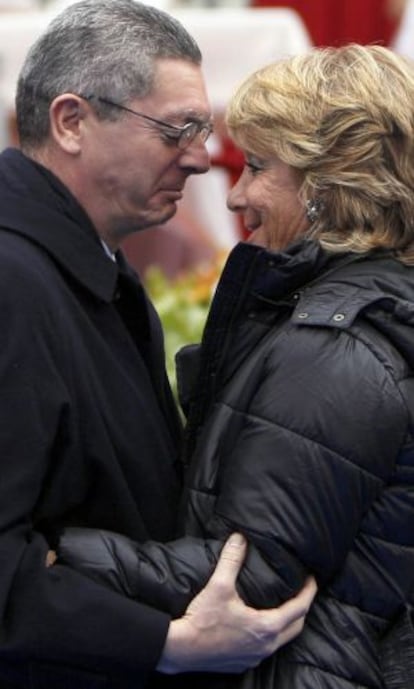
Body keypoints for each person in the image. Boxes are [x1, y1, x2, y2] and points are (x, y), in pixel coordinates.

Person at [58, 43, 414, 688]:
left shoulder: (334, 348)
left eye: (257, 166)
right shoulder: (363, 311)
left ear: (328, 185)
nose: (236, 195)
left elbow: (246, 572)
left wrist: (50, 556)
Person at [0, 1, 318, 688]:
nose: (202, 161)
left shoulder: (90, 258)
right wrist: (167, 642)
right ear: (71, 121)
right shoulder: (12, 282)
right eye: (176, 131)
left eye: (202, 131)